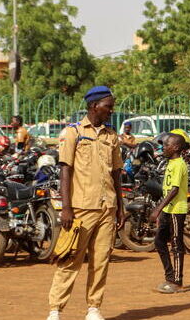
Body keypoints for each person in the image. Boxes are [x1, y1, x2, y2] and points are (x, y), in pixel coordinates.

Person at [46, 86, 125, 320]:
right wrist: (66, 207)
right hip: (81, 208)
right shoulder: (73, 132)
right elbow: (65, 170)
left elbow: (117, 173)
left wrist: (120, 206)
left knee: (101, 261)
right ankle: (55, 309)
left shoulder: (111, 135)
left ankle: (94, 308)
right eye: (108, 106)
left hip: (107, 207)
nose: (111, 110)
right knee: (70, 258)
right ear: (94, 106)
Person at [149, 130, 190, 294]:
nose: (163, 147)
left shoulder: (179, 164)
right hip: (168, 208)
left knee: (176, 244)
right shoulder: (171, 163)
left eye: (167, 145)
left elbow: (174, 190)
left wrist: (157, 209)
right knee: (159, 241)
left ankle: (177, 281)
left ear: (176, 147)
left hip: (176, 210)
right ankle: (170, 276)